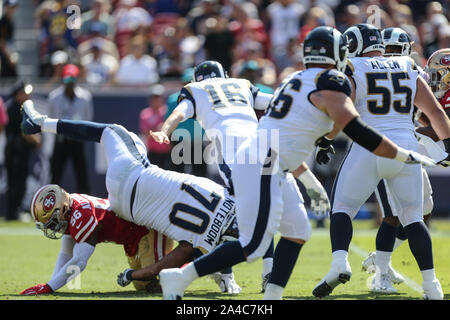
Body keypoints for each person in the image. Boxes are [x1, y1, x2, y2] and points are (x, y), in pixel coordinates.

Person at [157, 26, 437, 301]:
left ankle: (273, 297)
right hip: (262, 163)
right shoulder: (330, 82)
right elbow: (354, 128)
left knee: (297, 232)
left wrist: (309, 180)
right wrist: (400, 153)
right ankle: (181, 276)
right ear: (338, 53)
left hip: (268, 159)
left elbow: (289, 134)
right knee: (253, 244)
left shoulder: (295, 79)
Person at [20, 99, 242, 294]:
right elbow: (194, 251)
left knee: (111, 130)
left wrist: (50, 286)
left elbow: (75, 259)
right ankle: (40, 122)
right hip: (135, 195)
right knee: (162, 274)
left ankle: (40, 123)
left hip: (133, 194)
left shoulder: (222, 194)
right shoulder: (207, 238)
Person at [150, 59, 330, 293]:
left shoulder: (196, 90)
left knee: (294, 228)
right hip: (262, 149)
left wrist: (165, 131)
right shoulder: (241, 84)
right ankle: (185, 276)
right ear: (224, 74)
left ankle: (269, 290)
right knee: (254, 235)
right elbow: (278, 102)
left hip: (240, 155)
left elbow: (179, 112)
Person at [312, 24, 450, 300]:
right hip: (406, 150)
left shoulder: (353, 67)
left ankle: (340, 264)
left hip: (368, 146)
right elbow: (434, 112)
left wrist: (325, 139)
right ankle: (431, 286)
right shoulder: (407, 65)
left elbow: (343, 111)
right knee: (413, 218)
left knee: (342, 207)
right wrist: (447, 147)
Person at [360, 27, 434, 292]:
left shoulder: (401, 70)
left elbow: (423, 117)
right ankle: (381, 274)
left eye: (394, 50)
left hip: (406, 148)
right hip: (382, 148)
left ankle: (381, 257)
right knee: (393, 215)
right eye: (388, 50)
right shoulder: (408, 70)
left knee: (423, 210)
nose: (391, 55)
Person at [19, 184, 173, 295]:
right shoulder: (71, 207)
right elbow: (66, 253)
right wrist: (50, 285)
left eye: (52, 223)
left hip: (147, 230)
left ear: (64, 209)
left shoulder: (81, 215)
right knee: (142, 284)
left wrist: (49, 287)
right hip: (131, 238)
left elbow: (79, 261)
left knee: (160, 283)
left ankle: (192, 260)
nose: (52, 228)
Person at [47, 64, 93, 194]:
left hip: (77, 139)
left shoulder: (85, 97)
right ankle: (50, 202)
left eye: (72, 79)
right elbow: (50, 118)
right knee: (55, 173)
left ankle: (86, 204)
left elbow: (88, 118)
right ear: (62, 79)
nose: (70, 83)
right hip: (60, 140)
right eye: (67, 79)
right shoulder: (54, 97)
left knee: (82, 174)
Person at [4, 81, 42, 221]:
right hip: (16, 152)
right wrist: (36, 140)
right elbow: (24, 132)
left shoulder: (13, 107)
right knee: (17, 184)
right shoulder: (16, 109)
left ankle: (13, 212)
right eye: (24, 93)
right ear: (18, 94)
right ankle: (13, 213)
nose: (27, 96)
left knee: (16, 183)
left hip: (16, 151)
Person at [139, 84, 171, 170]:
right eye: (154, 97)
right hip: (153, 153)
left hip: (168, 153)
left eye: (158, 97)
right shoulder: (145, 114)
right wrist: (157, 129)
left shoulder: (168, 112)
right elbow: (146, 134)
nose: (156, 100)